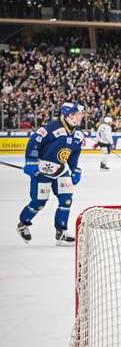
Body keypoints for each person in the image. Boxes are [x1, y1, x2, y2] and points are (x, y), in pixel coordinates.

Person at [16, 102, 85, 245]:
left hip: (60, 170)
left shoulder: (78, 134)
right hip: (42, 170)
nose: (80, 117)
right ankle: (23, 224)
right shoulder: (51, 128)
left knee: (66, 200)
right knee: (39, 203)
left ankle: (61, 232)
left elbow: (73, 154)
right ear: (68, 116)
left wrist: (75, 169)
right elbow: (34, 142)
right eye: (77, 114)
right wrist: (30, 161)